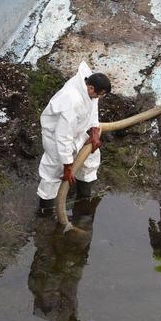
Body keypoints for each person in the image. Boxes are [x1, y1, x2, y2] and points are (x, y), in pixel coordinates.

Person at [37, 62, 112, 215]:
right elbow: (63, 136)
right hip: (56, 137)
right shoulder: (72, 99)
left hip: (79, 129)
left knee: (90, 158)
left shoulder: (91, 87)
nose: (99, 98)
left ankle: (84, 199)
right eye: (99, 95)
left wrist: (95, 130)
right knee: (54, 172)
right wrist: (67, 167)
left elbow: (93, 108)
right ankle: (46, 210)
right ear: (90, 88)